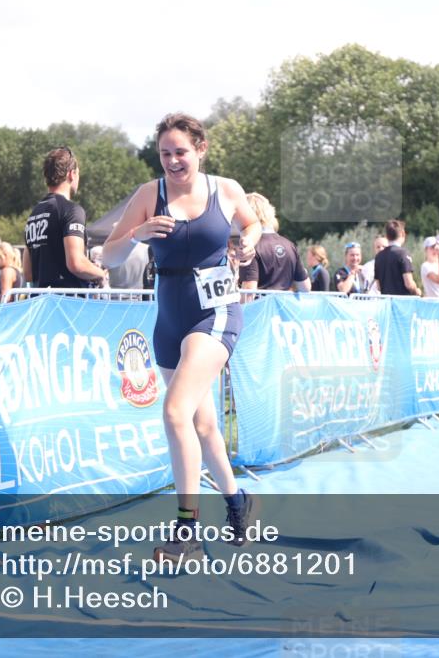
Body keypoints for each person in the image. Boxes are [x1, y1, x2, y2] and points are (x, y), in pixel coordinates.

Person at [100, 113, 262, 563]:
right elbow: (110, 255)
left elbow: (253, 224)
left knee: (174, 412)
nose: (173, 161)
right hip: (169, 318)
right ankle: (237, 503)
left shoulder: (224, 189)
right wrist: (138, 233)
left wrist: (249, 241)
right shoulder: (148, 195)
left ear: (201, 149)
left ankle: (187, 528)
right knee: (202, 424)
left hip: (216, 311)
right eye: (165, 153)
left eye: (181, 152)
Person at [23, 146, 106, 290]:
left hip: (41, 302)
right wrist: (100, 273)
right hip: (68, 304)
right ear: (72, 174)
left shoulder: (34, 214)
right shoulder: (72, 210)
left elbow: (29, 274)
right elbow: (76, 263)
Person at [237, 193, 309, 294]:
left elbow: (248, 292)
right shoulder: (290, 245)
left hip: (261, 309)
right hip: (285, 308)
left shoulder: (250, 246)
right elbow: (305, 287)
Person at [373, 220, 420, 296]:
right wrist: (416, 291)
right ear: (402, 234)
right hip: (402, 302)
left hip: (386, 302)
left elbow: (378, 286)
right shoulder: (403, 254)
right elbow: (409, 284)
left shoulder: (379, 256)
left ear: (387, 236)